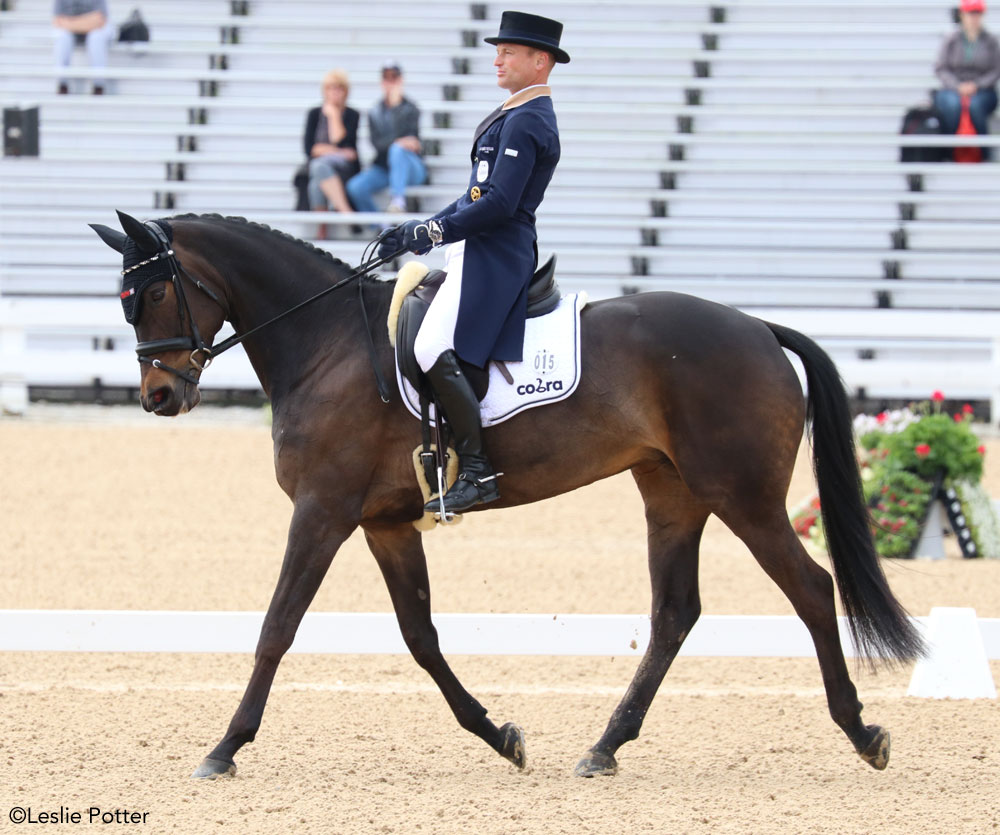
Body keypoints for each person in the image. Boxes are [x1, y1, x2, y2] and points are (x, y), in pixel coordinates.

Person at [379, 11, 568, 515]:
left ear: (540, 61)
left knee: (430, 344)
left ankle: (478, 470)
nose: (497, 59)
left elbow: (501, 204)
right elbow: (473, 196)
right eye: (498, 50)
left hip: (498, 252)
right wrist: (416, 231)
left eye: (509, 52)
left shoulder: (529, 119)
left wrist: (434, 231)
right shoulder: (511, 113)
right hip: (480, 244)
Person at [345, 62, 427, 214]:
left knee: (398, 150)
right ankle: (381, 226)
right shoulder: (374, 111)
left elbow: (413, 142)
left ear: (400, 81)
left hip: (410, 167)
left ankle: (398, 200)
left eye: (394, 78)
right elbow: (378, 145)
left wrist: (396, 108)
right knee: (355, 187)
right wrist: (400, 142)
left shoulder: (411, 108)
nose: (390, 82)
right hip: (384, 168)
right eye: (387, 78)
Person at [934, 0, 1000, 159]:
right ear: (962, 15)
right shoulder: (951, 39)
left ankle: (984, 153)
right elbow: (941, 68)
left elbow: (996, 69)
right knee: (952, 105)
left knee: (976, 106)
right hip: (952, 89)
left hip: (982, 90)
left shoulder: (991, 41)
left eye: (977, 13)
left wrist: (977, 85)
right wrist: (957, 86)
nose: (973, 17)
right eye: (970, 13)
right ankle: (949, 153)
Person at [303, 69, 361, 220]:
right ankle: (345, 212)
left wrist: (333, 115)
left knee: (318, 168)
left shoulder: (352, 115)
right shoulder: (314, 114)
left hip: (343, 169)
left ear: (345, 91)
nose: (335, 92)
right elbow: (310, 149)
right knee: (318, 174)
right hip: (324, 166)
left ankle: (324, 228)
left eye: (339, 88)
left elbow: (341, 141)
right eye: (330, 88)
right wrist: (338, 152)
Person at [52, 0, 114, 95]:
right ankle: (62, 85)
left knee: (96, 37)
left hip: (92, 30)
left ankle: (98, 85)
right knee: (62, 36)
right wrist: (86, 22)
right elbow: (58, 21)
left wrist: (70, 23)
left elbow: (99, 20)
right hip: (72, 31)